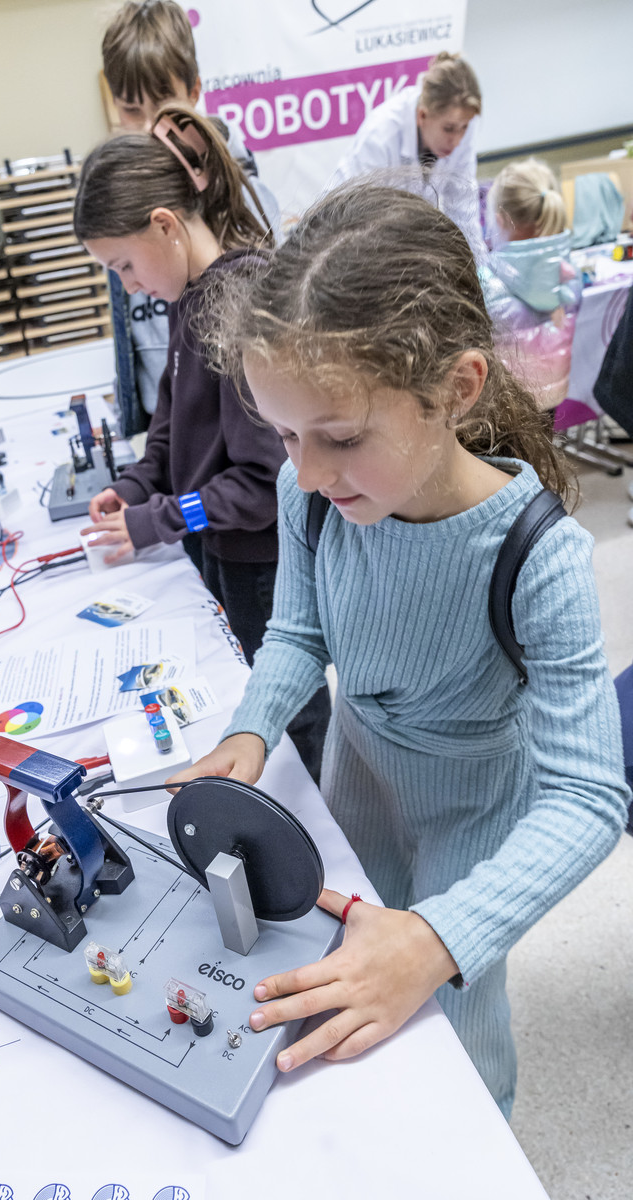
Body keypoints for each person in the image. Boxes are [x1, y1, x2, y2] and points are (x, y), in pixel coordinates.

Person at [167, 181, 630, 1118]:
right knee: (342, 975)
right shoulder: (311, 495)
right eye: (285, 434)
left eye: (339, 437)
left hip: (474, 814)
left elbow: (588, 797)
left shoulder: (539, 556)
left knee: (453, 1015)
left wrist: (437, 939)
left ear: (456, 388)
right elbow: (299, 630)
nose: (305, 471)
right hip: (359, 783)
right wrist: (252, 729)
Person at [74, 103, 330, 782]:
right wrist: (134, 487)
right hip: (216, 549)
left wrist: (157, 518)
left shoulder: (240, 302)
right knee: (240, 707)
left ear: (165, 225)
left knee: (291, 719)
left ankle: (324, 823)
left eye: (125, 265)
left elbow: (264, 482)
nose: (128, 285)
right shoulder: (189, 299)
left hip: (260, 564)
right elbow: (168, 431)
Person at [101, 0, 280, 436]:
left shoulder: (244, 194)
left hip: (236, 429)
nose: (149, 127)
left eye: (164, 102)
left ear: (195, 90)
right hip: (164, 420)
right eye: (131, 110)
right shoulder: (125, 195)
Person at [330, 52, 483, 255]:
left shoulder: (461, 124)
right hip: (344, 234)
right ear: (422, 115)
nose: (456, 140)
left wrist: (478, 264)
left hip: (403, 236)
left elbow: (463, 208)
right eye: (448, 129)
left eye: (464, 128)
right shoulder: (380, 136)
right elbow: (364, 222)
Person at [482, 158, 582, 411]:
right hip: (551, 397)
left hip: (504, 410)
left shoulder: (485, 280)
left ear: (500, 220)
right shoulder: (571, 274)